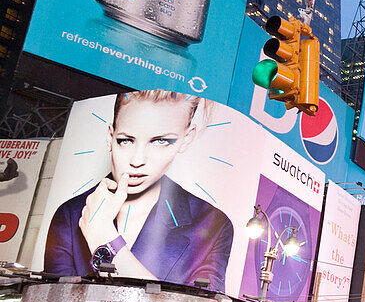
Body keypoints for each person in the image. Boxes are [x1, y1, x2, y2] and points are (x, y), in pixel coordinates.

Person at [43, 90, 233, 290]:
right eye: (125, 140)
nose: (137, 161)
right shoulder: (70, 214)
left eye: (161, 141)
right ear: (110, 136)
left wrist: (104, 238)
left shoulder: (213, 224)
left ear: (186, 139)